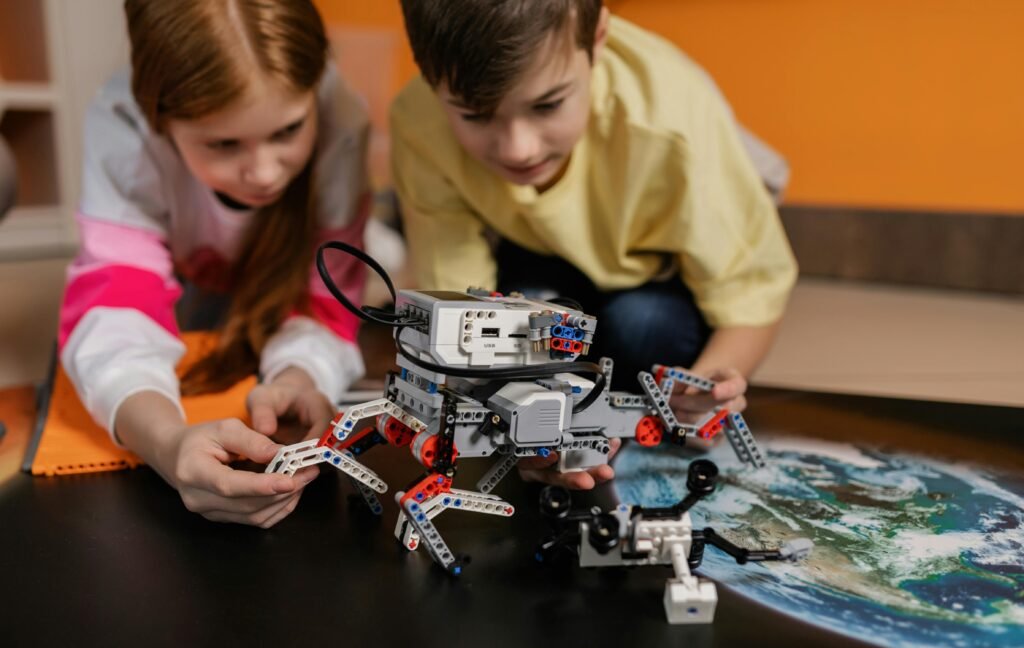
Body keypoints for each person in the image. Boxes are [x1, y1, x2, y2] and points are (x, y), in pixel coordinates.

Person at [390, 0, 798, 489]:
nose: (519, 148)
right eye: (475, 115)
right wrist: (510, 416)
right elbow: (456, 306)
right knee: (526, 323)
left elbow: (751, 293)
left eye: (547, 104)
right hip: (537, 249)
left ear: (597, 38)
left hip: (659, 268)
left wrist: (702, 391)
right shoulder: (419, 121)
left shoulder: (671, 117)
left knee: (642, 328)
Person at [58, 0, 372, 527]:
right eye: (224, 144)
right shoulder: (122, 127)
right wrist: (167, 442)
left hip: (279, 280)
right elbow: (117, 304)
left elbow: (327, 297)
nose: (265, 174)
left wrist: (301, 373)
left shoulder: (343, 118)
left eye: (288, 131)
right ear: (160, 122)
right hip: (188, 276)